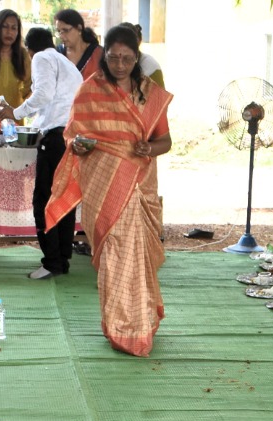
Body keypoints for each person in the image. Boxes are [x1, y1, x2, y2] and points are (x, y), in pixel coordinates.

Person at [47, 25, 172, 356]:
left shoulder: (149, 93)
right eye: (114, 57)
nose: (119, 65)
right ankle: (118, 326)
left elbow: (165, 141)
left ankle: (141, 324)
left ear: (136, 58)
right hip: (103, 187)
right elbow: (72, 135)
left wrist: (148, 148)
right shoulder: (90, 91)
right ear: (105, 56)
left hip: (139, 187)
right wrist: (78, 145)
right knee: (114, 256)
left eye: (127, 59)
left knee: (137, 257)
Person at [3, 26, 83, 280]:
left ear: (29, 49)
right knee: (62, 199)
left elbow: (43, 95)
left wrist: (15, 112)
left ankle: (51, 262)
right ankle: (62, 258)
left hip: (56, 139)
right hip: (70, 136)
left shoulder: (41, 58)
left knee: (44, 201)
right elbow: (53, 105)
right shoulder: (66, 63)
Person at [54, 9, 100, 78]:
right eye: (59, 31)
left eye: (65, 30)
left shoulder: (98, 54)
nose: (61, 36)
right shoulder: (57, 54)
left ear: (79, 28)